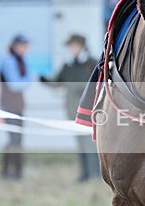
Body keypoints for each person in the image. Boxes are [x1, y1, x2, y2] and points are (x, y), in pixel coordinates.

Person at [41, 34, 101, 182]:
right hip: (73, 110)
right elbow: (57, 82)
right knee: (81, 144)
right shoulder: (68, 66)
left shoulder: (92, 63)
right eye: (70, 47)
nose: (72, 49)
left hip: (90, 111)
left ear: (81, 46)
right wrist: (44, 80)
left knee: (91, 144)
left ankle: (96, 174)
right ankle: (85, 173)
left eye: (74, 46)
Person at [0, 34, 32, 180]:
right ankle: (11, 171)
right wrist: (27, 81)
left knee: (16, 138)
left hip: (16, 104)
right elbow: (15, 84)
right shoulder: (9, 61)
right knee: (14, 138)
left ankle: (13, 171)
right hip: (9, 104)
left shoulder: (19, 60)